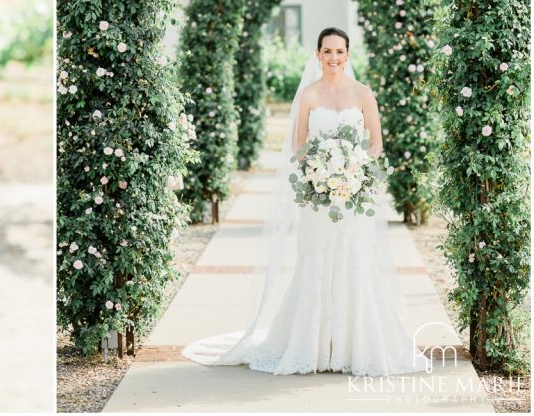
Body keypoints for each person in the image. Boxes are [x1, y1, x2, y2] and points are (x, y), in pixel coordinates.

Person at [183, 27, 430, 375]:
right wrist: (322, 171)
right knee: (316, 261)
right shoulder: (310, 96)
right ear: (317, 54)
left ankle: (354, 345)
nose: (333, 58)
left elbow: (376, 144)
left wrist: (353, 167)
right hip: (318, 198)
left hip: (352, 195)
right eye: (327, 51)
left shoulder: (363, 93)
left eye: (339, 51)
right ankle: (310, 345)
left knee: (355, 261)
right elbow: (298, 148)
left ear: (348, 54)